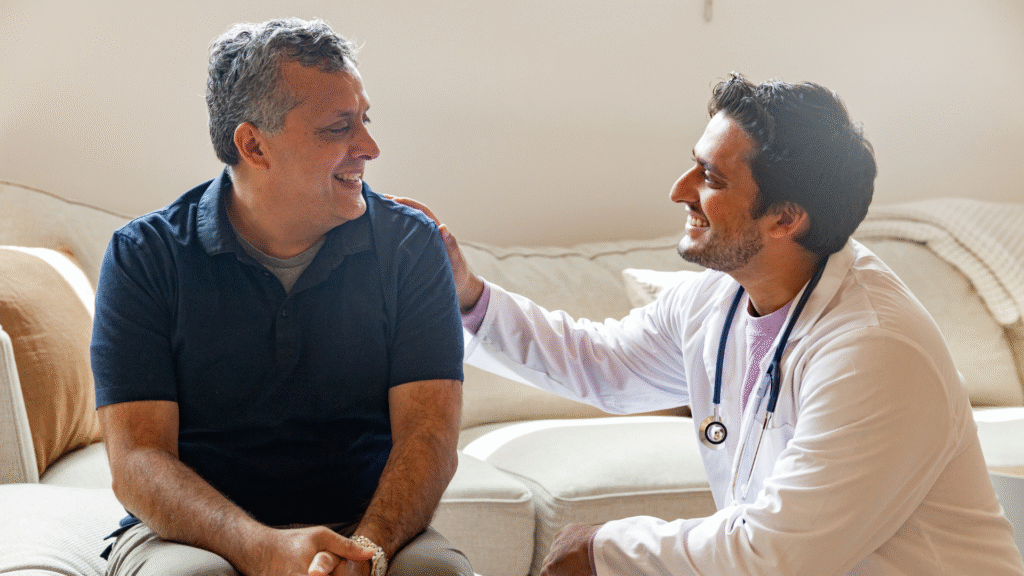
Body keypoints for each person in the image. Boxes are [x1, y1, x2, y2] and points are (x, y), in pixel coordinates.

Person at [395, 74, 1024, 575]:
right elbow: (601, 364)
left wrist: (604, 549)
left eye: (711, 177)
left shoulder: (873, 347)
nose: (678, 190)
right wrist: (466, 292)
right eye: (694, 163)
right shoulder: (717, 300)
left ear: (786, 219)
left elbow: (776, 554)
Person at [91, 18, 473, 576]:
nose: (369, 147)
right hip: (196, 536)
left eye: (363, 120)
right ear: (253, 145)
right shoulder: (144, 256)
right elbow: (138, 460)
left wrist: (366, 551)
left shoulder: (410, 245)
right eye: (337, 128)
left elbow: (429, 434)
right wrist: (261, 548)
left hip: (363, 526)